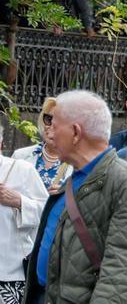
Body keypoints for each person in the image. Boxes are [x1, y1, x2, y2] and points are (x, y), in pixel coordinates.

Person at [25, 90, 127, 304]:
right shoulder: (77, 175)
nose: (50, 135)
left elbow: (121, 269)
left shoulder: (123, 181)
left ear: (75, 132)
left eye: (54, 127)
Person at [0, 125, 48, 303]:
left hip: (10, 275)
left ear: (1, 144)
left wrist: (20, 202)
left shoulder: (21, 170)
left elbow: (47, 213)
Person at [13, 98, 73, 191]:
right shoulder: (20, 156)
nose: (51, 127)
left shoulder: (79, 163)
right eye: (49, 119)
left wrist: (66, 195)